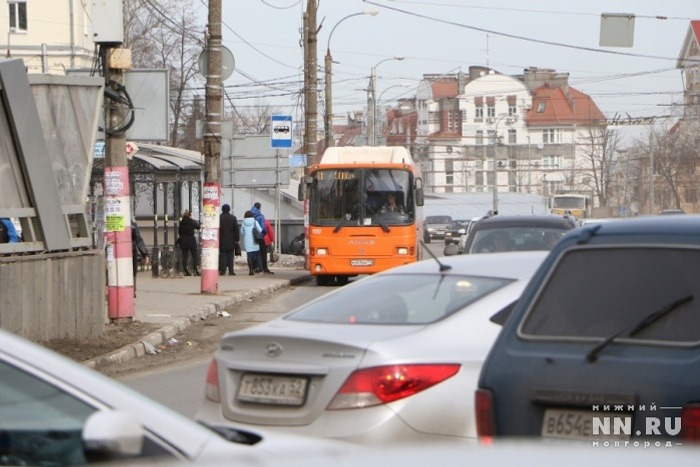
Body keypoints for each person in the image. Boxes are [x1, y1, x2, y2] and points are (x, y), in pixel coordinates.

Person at [218, 204, 240, 276]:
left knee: (223, 255)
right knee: (231, 256)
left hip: (221, 239)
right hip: (231, 240)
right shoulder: (233, 218)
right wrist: (237, 239)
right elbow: (236, 229)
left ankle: (223, 270)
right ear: (229, 209)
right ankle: (231, 271)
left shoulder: (219, 218)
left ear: (222, 209)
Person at [178, 209, 201, 276]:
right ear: (190, 215)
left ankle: (185, 271)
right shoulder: (192, 221)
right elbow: (198, 227)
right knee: (194, 256)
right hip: (191, 240)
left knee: (185, 257)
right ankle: (195, 270)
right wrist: (193, 219)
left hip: (184, 240)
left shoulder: (181, 222)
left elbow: (179, 232)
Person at [240, 210, 263, 276]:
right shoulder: (255, 222)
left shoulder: (243, 223)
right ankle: (259, 267)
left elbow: (242, 233)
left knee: (249, 256)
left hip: (247, 242)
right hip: (255, 242)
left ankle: (251, 270)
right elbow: (260, 230)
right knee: (257, 255)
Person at [131, 220, 149, 298]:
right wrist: (145, 254)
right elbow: (139, 240)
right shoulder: (132, 225)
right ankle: (132, 290)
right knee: (133, 271)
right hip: (131, 251)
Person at [250, 202, 268, 273]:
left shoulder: (249, 215)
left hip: (251, 236)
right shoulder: (260, 216)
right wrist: (263, 234)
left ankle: (254, 267)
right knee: (262, 252)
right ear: (259, 208)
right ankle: (263, 267)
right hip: (259, 237)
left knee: (254, 252)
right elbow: (263, 228)